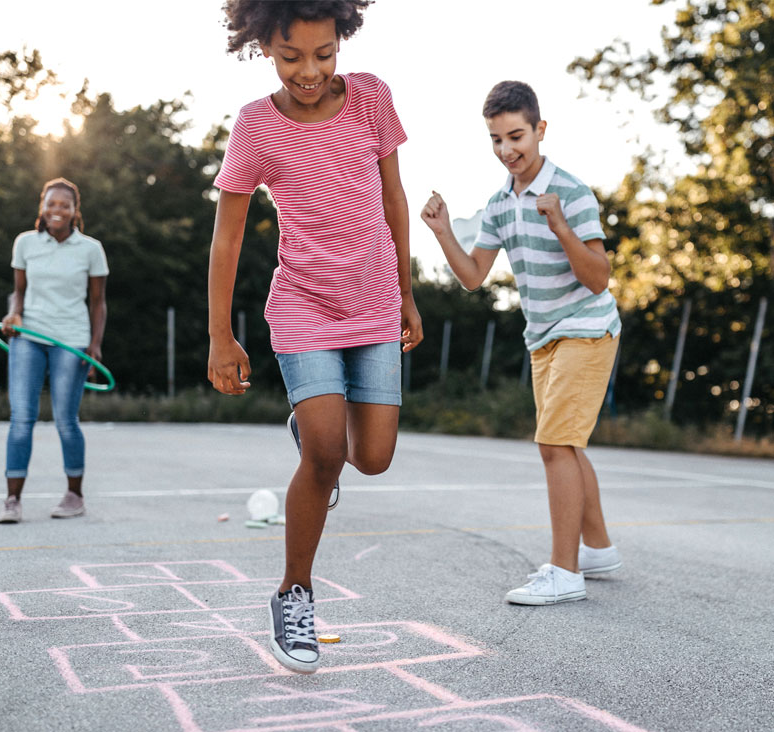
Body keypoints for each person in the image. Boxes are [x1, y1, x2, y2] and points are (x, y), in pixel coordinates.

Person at [207, 0, 423, 674]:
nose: (309, 71)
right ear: (264, 45)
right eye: (290, 56)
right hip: (303, 305)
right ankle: (294, 593)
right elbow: (229, 234)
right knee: (328, 453)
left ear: (342, 40)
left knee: (375, 456)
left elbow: (394, 200)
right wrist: (221, 334)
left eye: (323, 54)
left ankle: (316, 434)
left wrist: (408, 291)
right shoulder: (256, 126)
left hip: (374, 300)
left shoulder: (371, 99)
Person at [421, 80, 622, 606]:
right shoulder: (498, 204)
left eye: (516, 136)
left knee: (553, 444)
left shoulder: (572, 193)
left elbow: (598, 277)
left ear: (540, 130)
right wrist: (443, 231)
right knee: (566, 443)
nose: (507, 150)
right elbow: (473, 276)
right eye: (496, 140)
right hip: (543, 338)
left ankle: (565, 571)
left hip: (587, 327)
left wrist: (560, 225)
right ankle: (596, 548)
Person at [0, 178, 108, 524]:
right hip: (28, 336)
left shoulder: (90, 249)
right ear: (41, 208)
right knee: (21, 420)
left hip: (71, 340)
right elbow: (19, 291)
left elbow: (99, 302)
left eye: (64, 205)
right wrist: (13, 314)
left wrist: (94, 346)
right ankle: (12, 501)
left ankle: (74, 495)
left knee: (65, 420)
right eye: (51, 203)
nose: (56, 210)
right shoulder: (25, 244)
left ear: (75, 211)